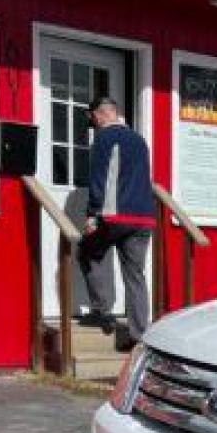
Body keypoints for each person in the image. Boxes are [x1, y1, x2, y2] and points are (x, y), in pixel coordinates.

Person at [77, 95, 155, 349]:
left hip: (115, 216)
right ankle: (139, 335)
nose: (93, 125)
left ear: (100, 114)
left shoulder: (105, 138)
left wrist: (92, 215)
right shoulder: (140, 140)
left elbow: (100, 177)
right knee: (135, 276)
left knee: (88, 251)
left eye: (92, 119)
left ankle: (100, 310)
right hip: (143, 217)